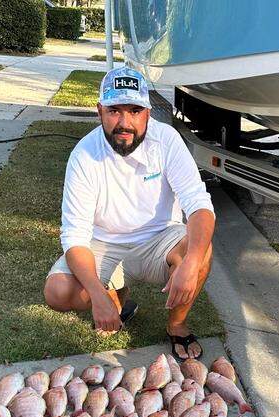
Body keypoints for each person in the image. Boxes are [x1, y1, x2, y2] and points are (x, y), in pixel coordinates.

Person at [44, 67, 215, 360]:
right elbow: (74, 237)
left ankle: (177, 325)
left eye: (135, 110)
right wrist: (97, 296)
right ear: (100, 111)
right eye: (114, 111)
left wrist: (192, 263)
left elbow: (199, 205)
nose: (125, 122)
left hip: (158, 239)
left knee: (199, 252)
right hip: (103, 243)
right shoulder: (84, 154)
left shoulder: (167, 141)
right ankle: (115, 298)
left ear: (148, 113)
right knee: (58, 292)